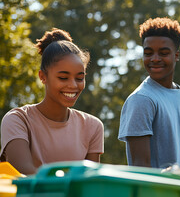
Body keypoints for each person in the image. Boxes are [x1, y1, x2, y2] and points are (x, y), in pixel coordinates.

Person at [0, 28, 104, 175]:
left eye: (80, 78)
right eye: (63, 78)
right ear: (43, 77)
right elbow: (24, 175)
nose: (73, 85)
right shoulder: (18, 120)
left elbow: (89, 183)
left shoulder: (93, 127)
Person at [118, 17, 180, 169]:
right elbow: (141, 168)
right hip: (156, 193)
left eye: (163, 53)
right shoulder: (141, 100)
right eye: (148, 53)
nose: (154, 59)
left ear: (176, 56)